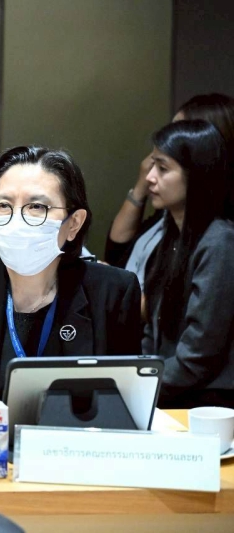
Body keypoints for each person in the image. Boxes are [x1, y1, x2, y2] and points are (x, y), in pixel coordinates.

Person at [0, 146, 141, 398]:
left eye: (36, 206)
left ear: (74, 223)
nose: (17, 220)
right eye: (4, 205)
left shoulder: (113, 294)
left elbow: (124, 403)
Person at [141, 120, 234, 408]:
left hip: (209, 402)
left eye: (163, 168)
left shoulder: (220, 242)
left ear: (196, 175)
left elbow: (200, 351)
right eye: (152, 165)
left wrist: (141, 386)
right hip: (173, 392)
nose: (150, 177)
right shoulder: (171, 237)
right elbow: (153, 330)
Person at [105, 94, 234, 289]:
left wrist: (120, 291)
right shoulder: (171, 216)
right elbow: (116, 252)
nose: (169, 138)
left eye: (163, 167)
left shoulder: (218, 238)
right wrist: (141, 187)